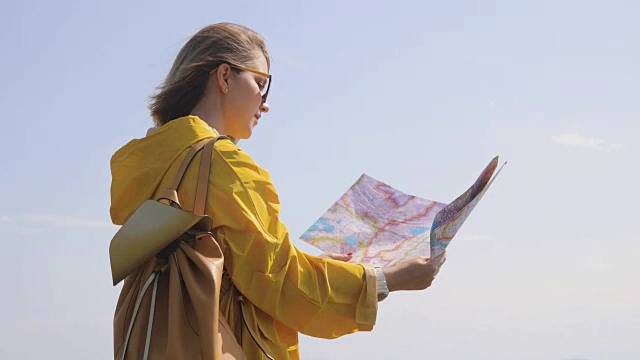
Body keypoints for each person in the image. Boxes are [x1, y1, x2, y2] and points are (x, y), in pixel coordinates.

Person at [110, 22, 445, 359]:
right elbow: (282, 282)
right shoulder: (224, 165)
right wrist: (387, 279)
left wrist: (315, 267)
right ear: (225, 77)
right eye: (261, 84)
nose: (265, 103)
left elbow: (248, 269)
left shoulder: (156, 161)